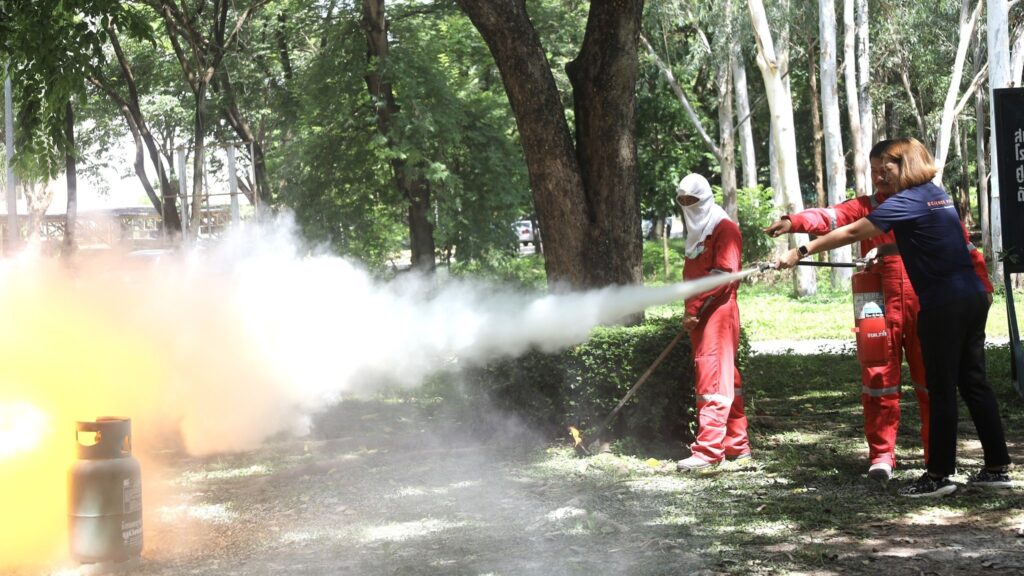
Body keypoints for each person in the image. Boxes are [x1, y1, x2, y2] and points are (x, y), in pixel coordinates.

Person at [774, 137, 1012, 497]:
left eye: (885, 170)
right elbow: (917, 234)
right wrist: (878, 247)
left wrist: (802, 250)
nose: (879, 179)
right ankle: (997, 469)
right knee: (974, 382)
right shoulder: (936, 194)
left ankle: (938, 476)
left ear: (904, 165)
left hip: (940, 302)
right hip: (972, 296)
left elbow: (854, 230)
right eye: (875, 172)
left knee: (941, 387)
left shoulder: (905, 201)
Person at [675, 173, 751, 471]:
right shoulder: (698, 232)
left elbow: (724, 274)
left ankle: (708, 451)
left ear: (705, 199)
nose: (687, 206)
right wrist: (692, 309)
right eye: (682, 201)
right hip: (702, 313)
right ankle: (736, 444)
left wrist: (694, 306)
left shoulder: (724, 229)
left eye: (692, 200)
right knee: (726, 378)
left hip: (717, 313)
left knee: (712, 380)